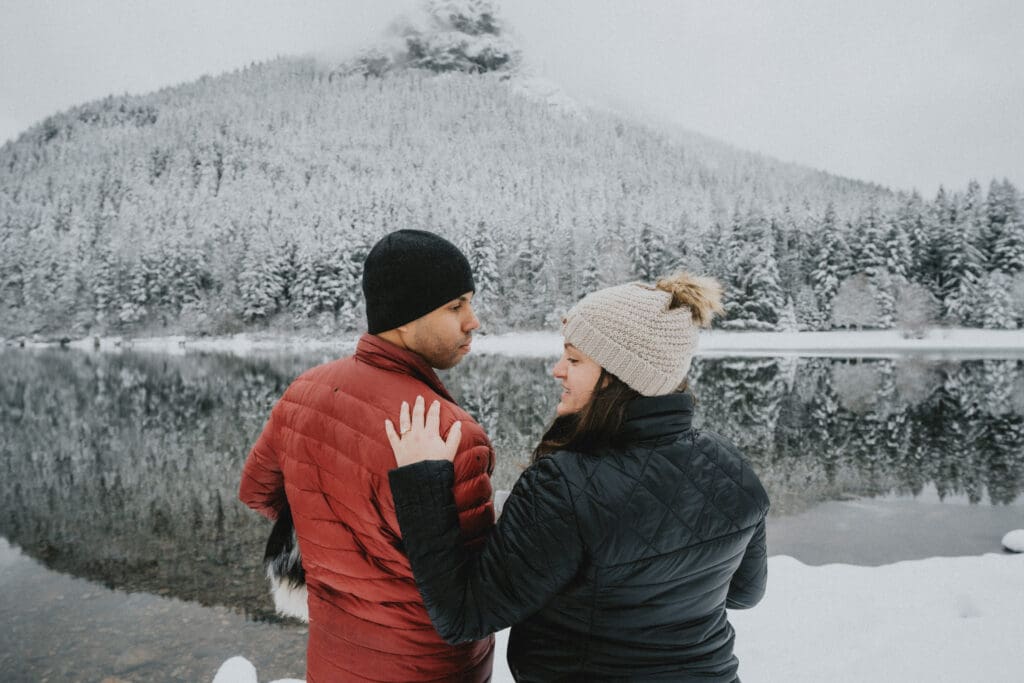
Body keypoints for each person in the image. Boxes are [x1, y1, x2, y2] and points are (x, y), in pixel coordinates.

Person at [386, 273, 770, 682]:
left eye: (574, 360)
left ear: (619, 377)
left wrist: (423, 482)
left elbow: (463, 615)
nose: (557, 371)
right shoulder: (730, 466)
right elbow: (744, 593)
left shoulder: (563, 486)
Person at [239, 229, 496, 683]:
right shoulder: (451, 434)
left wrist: (332, 536)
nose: (472, 321)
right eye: (455, 306)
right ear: (405, 317)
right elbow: (472, 591)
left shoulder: (303, 392)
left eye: (470, 304)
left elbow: (257, 491)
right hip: (428, 669)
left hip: (333, 661)